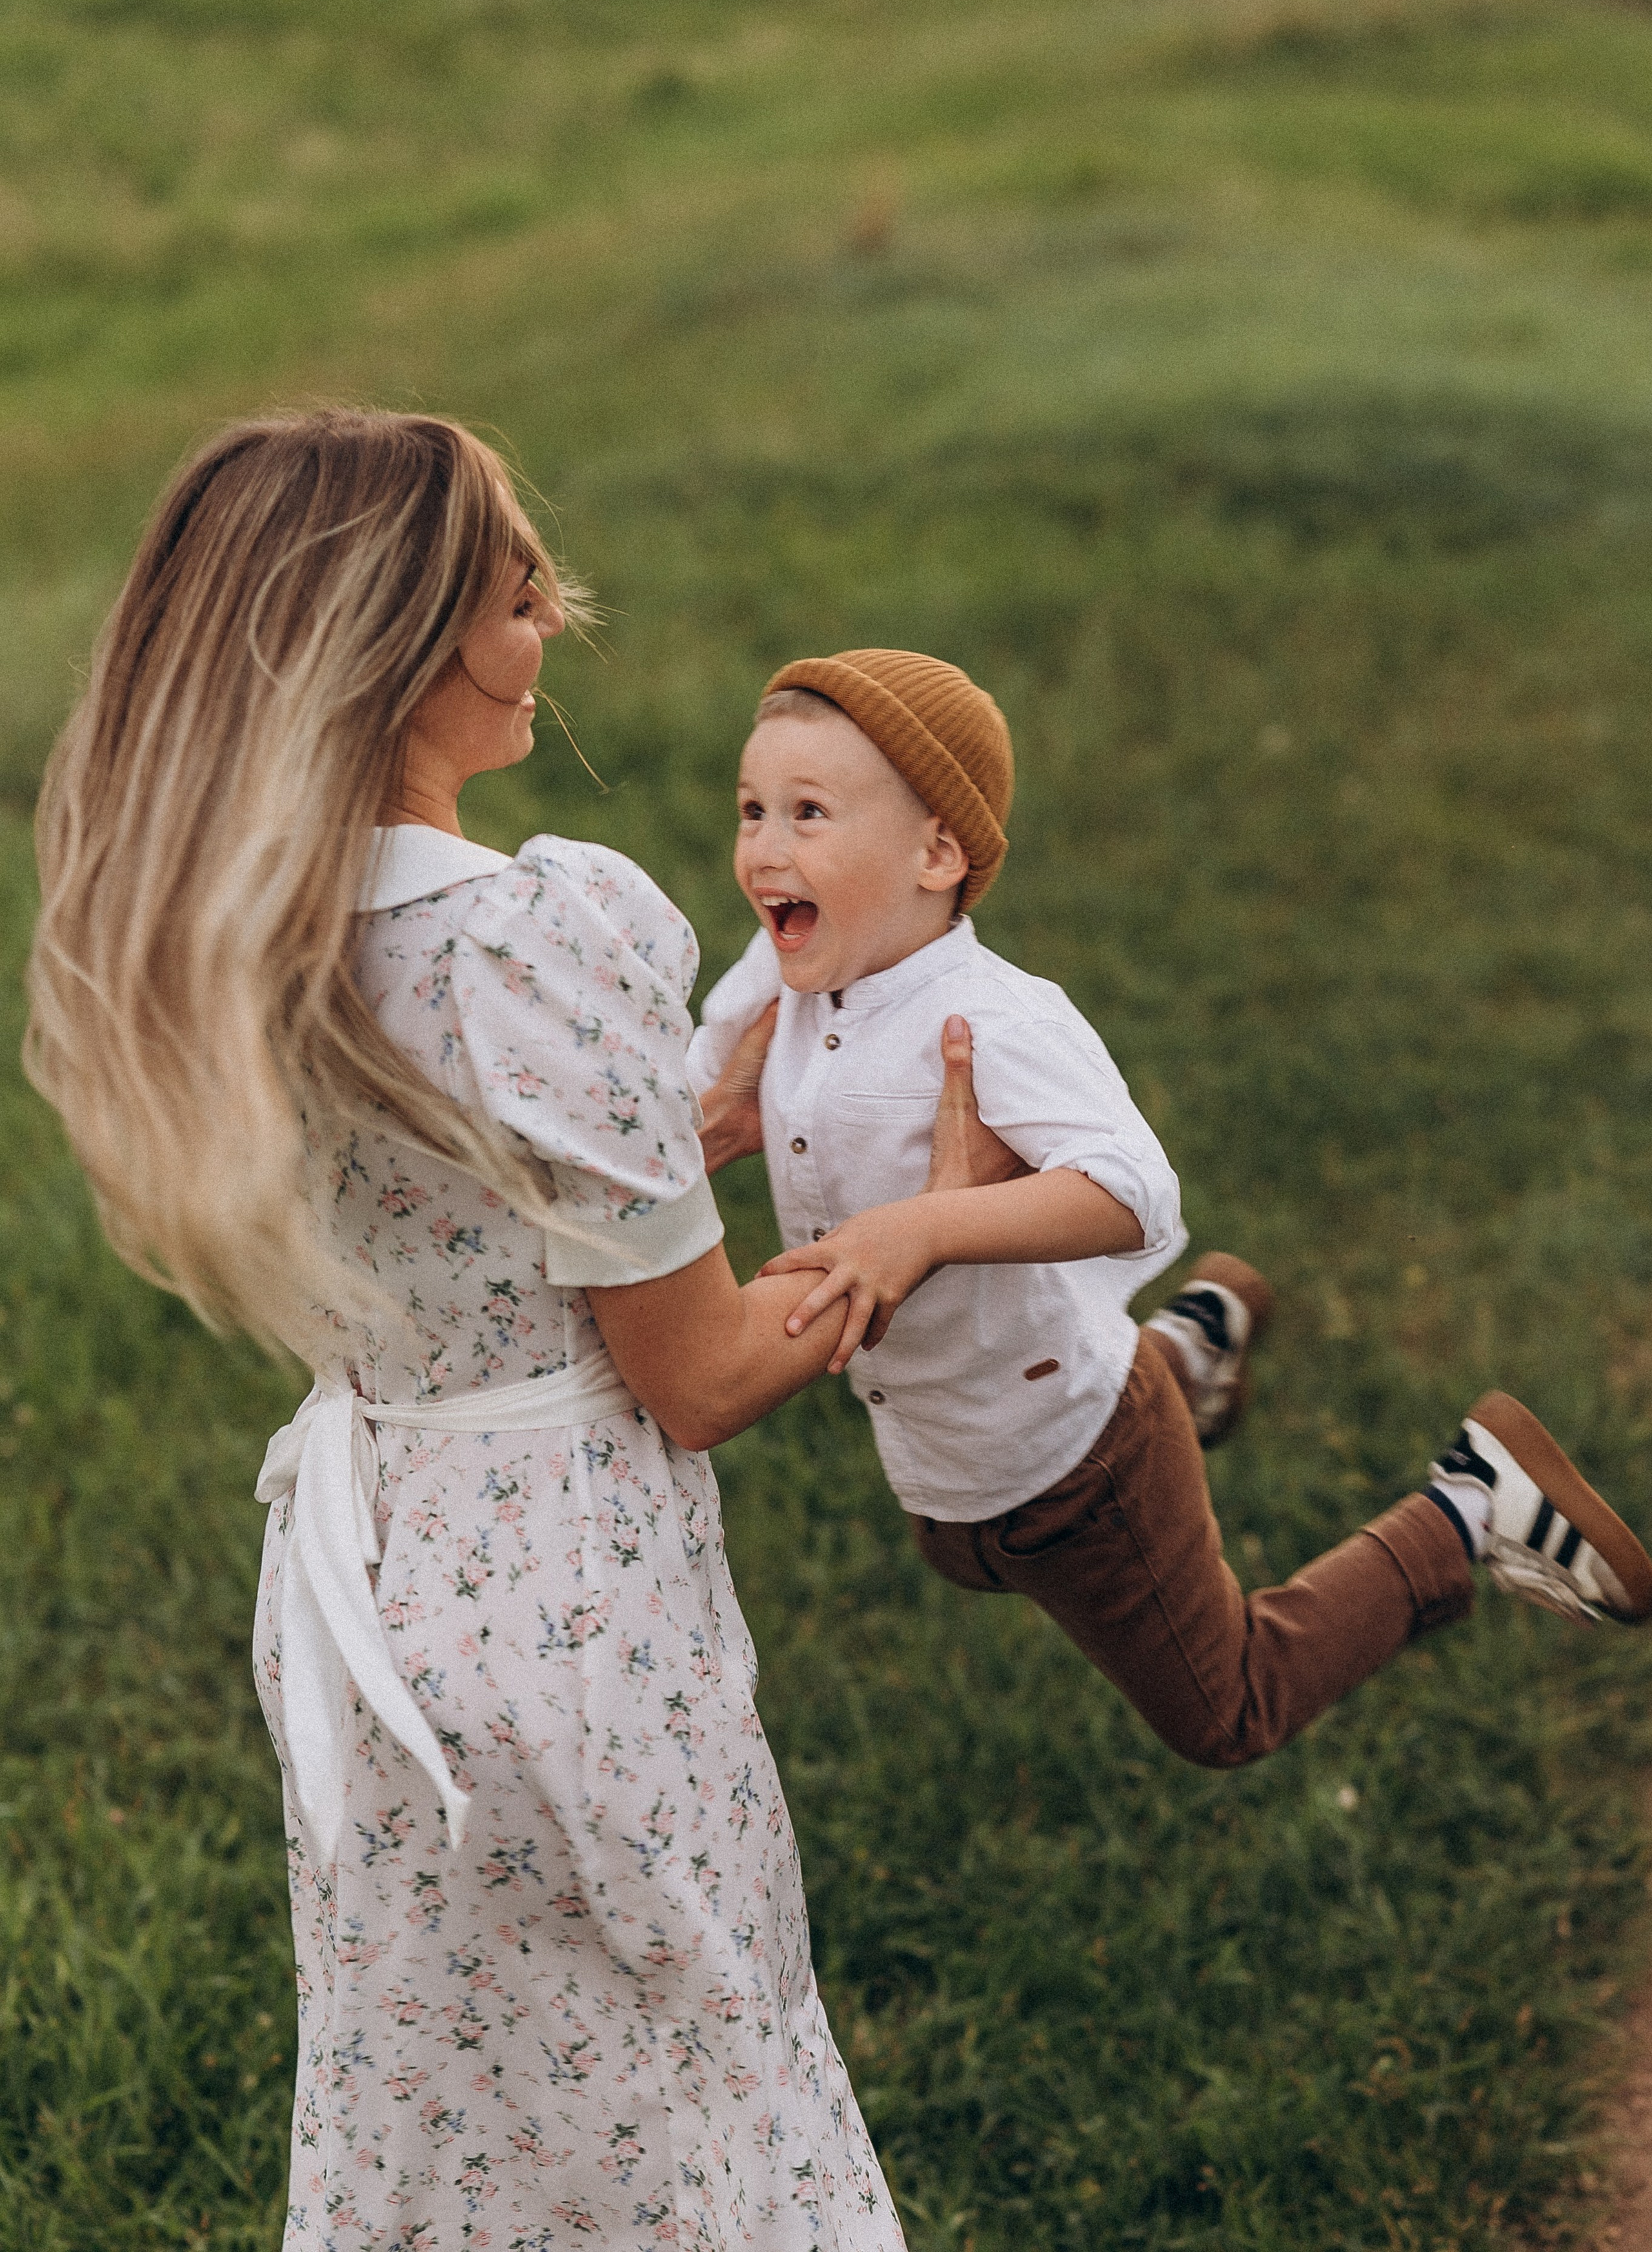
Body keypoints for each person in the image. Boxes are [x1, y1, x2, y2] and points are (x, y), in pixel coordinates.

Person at [24, 411, 962, 2250]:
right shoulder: (530, 938)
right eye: (514, 588)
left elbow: (456, 1213)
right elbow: (689, 1379)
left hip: (378, 1574)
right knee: (693, 2058)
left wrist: (676, 1142)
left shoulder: (242, 945)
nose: (552, 618)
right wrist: (907, 1240)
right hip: (572, 1591)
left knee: (455, 2092)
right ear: (395, 641)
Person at [686, 647, 1652, 1772]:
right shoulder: (783, 966)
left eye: (810, 813)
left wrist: (925, 1227)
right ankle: (1189, 1352)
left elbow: (1136, 1191)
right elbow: (697, 1081)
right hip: (952, 1450)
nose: (764, 848)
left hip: (1077, 1457)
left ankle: (1467, 1508)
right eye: (752, 808)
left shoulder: (994, 1021)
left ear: (938, 852)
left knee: (1226, 1707)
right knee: (961, 1550)